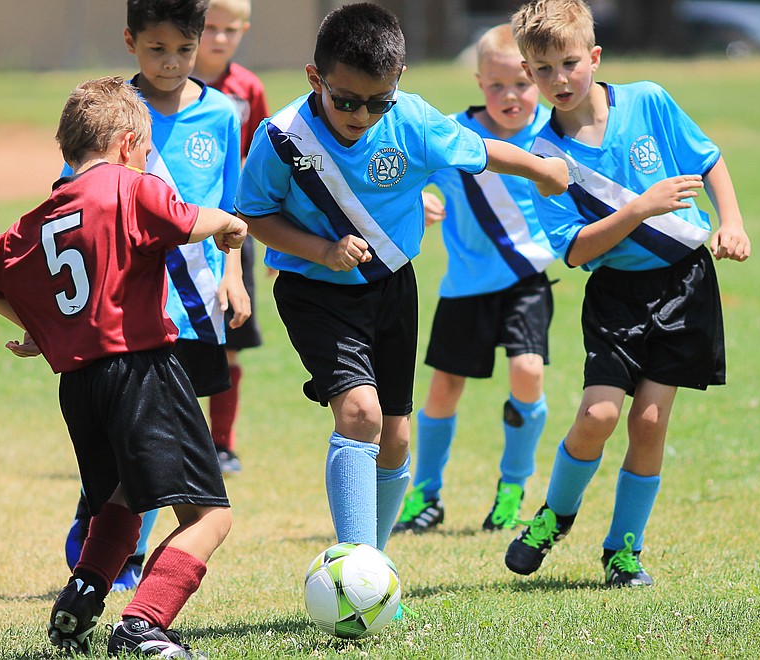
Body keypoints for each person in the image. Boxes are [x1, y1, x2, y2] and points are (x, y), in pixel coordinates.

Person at [234, 2, 569, 554]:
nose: (361, 115)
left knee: (395, 437)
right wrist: (321, 249)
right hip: (315, 291)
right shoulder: (282, 138)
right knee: (359, 413)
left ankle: (373, 569)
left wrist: (541, 167)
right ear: (315, 78)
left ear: (398, 82)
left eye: (377, 102)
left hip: (392, 288)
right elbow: (255, 215)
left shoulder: (411, 119)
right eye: (345, 101)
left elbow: (479, 151)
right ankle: (354, 573)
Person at [0, 75, 245, 657]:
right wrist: (230, 226)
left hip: (81, 385)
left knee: (119, 499)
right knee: (209, 517)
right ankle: (144, 623)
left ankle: (81, 597)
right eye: (142, 152)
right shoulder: (129, 186)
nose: (144, 163)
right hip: (142, 373)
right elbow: (187, 220)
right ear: (125, 142)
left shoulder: (44, 214)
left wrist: (44, 326)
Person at [504, 0, 751, 587]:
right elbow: (577, 250)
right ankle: (554, 516)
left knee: (648, 422)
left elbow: (709, 160)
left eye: (569, 63)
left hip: (685, 286)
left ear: (593, 56)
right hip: (616, 293)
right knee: (598, 414)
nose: (559, 80)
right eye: (542, 70)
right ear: (527, 72)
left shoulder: (646, 101)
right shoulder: (544, 158)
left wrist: (732, 221)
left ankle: (623, 550)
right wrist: (639, 208)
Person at [62, 0, 248, 594]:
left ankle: (110, 530)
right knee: (135, 433)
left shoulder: (222, 113)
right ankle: (119, 548)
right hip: (128, 306)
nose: (171, 63)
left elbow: (233, 206)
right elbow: (73, 201)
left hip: (196, 304)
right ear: (130, 41)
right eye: (156, 49)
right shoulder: (113, 112)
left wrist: (234, 272)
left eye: (184, 50)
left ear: (202, 45)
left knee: (164, 436)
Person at [392, 24, 558, 535]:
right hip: (464, 286)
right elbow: (400, 174)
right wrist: (414, 198)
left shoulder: (554, 131)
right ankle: (426, 494)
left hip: (527, 279)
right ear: (479, 80)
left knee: (528, 373)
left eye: (523, 84)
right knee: (443, 389)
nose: (511, 97)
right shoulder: (452, 133)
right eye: (496, 86)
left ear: (538, 78)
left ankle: (512, 488)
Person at [193, 0, 271, 475]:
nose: (218, 38)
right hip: (179, 227)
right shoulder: (168, 83)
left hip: (234, 229)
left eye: (230, 29)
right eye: (209, 28)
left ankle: (222, 444)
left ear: (243, 30)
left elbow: (263, 159)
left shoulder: (248, 89)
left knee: (230, 338)